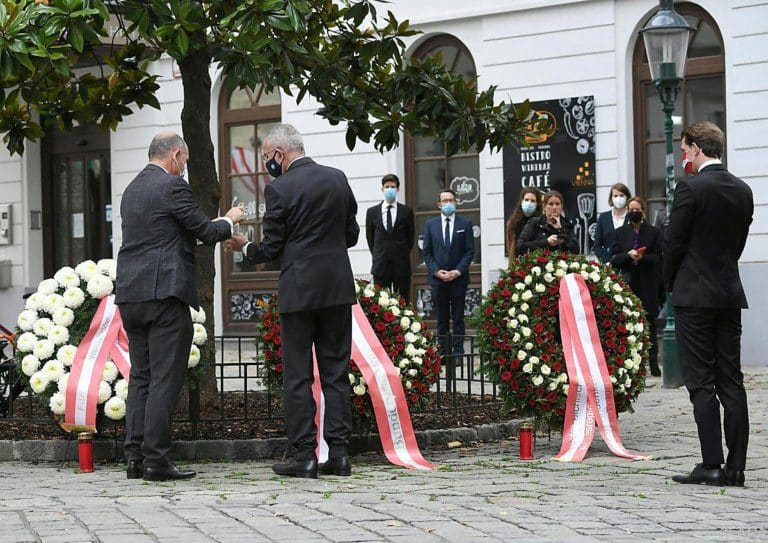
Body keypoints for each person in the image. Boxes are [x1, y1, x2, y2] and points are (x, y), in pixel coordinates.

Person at [225, 124, 359, 479]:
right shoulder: (337, 178)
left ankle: (304, 455)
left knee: (298, 376)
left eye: (267, 157)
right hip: (336, 289)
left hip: (299, 292)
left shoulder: (279, 188)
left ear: (279, 155)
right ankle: (340, 453)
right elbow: (352, 234)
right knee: (336, 373)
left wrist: (245, 247)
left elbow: (271, 248)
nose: (267, 163)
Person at [116, 132, 244, 481]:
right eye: (184, 161)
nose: (184, 168)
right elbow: (204, 230)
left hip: (130, 294)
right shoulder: (172, 187)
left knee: (140, 376)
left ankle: (134, 457)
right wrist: (230, 218)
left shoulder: (132, 190)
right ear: (174, 155)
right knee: (164, 380)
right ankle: (156, 460)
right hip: (164, 296)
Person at [664, 121, 753, 487]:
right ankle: (736, 468)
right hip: (728, 293)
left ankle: (711, 463)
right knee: (731, 379)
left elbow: (673, 243)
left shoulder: (690, 188)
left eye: (685, 149)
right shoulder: (743, 190)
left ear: (698, 148)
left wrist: (670, 286)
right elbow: (738, 243)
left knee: (701, 382)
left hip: (694, 296)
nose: (684, 156)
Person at [610, 197, 662, 377]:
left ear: (643, 211)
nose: (634, 212)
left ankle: (654, 363)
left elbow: (657, 258)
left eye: (637, 209)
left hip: (648, 284)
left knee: (650, 326)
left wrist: (643, 257)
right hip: (628, 284)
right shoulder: (620, 232)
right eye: (631, 209)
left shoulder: (653, 232)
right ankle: (632, 365)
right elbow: (615, 258)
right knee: (628, 327)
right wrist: (628, 255)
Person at [422, 189, 474, 357]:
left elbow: (470, 251)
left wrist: (458, 271)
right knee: (442, 319)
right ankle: (443, 352)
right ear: (439, 204)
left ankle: (458, 353)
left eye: (451, 200)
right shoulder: (431, 225)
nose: (448, 203)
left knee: (458, 318)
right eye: (445, 201)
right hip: (438, 280)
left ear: (456, 202)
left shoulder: (464, 224)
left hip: (458, 279)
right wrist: (437, 272)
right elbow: (427, 252)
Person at [365, 173, 415, 302]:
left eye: (392, 187)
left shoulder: (406, 211)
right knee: (381, 304)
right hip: (381, 266)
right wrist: (380, 254)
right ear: (382, 189)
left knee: (403, 303)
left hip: (401, 266)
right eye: (387, 187)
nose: (389, 189)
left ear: (397, 189)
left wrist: (400, 253)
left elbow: (410, 238)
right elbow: (370, 239)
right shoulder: (372, 212)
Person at [517, 190, 579, 255]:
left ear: (562, 206)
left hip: (562, 264)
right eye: (551, 204)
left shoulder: (567, 224)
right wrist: (546, 242)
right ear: (544, 206)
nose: (554, 207)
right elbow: (520, 247)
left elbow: (576, 250)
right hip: (539, 263)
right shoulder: (535, 222)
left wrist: (560, 230)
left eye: (557, 204)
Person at [593, 182, 631, 263]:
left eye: (621, 195)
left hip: (628, 265)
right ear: (611, 198)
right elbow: (597, 245)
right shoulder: (603, 218)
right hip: (608, 264)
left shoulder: (631, 217)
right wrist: (606, 261)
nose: (618, 198)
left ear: (627, 197)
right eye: (615, 196)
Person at [505, 187, 543, 266]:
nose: (529, 203)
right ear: (521, 201)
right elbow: (511, 246)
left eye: (532, 201)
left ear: (537, 204)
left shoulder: (541, 222)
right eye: (526, 200)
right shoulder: (512, 223)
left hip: (537, 264)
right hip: (517, 265)